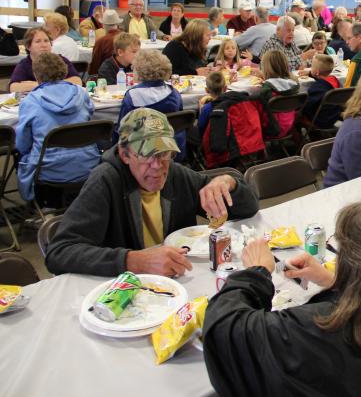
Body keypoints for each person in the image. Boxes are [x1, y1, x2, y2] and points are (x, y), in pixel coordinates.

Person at [203, 198, 361, 396]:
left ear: (355, 265)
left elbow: (225, 330)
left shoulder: (325, 329)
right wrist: (336, 282)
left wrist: (256, 273)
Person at [45, 107, 258, 276]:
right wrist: (133, 260)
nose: (158, 166)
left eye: (164, 153)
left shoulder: (175, 174)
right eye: (147, 155)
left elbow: (248, 208)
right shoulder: (105, 181)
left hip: (178, 282)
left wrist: (228, 181)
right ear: (125, 154)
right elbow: (59, 253)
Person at [15, 52, 100, 204]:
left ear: (36, 75)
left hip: (49, 170)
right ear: (64, 70)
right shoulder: (81, 94)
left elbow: (22, 144)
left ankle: (38, 206)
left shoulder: (30, 102)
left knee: (20, 156)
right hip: (88, 164)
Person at [114, 50, 185, 152]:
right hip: (172, 148)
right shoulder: (174, 93)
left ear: (138, 70)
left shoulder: (133, 95)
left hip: (142, 151)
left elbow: (123, 128)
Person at [198, 72, 267, 170]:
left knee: (189, 133)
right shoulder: (239, 101)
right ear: (226, 88)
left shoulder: (208, 108)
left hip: (219, 144)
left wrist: (201, 111)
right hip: (242, 140)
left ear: (206, 90)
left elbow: (202, 128)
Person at [10, 28, 82, 93]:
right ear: (28, 46)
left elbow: (77, 81)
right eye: (38, 41)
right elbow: (14, 87)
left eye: (46, 41)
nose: (44, 45)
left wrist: (39, 84)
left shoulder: (60, 60)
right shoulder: (24, 64)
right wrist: (58, 84)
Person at [260, 50, 301, 139]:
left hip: (271, 129)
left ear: (266, 67)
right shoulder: (294, 84)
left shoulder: (267, 89)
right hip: (289, 124)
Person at [299, 54, 341, 129]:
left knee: (296, 115)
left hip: (320, 121)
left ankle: (309, 138)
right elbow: (322, 79)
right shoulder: (334, 80)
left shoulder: (316, 88)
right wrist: (310, 73)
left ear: (317, 72)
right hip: (334, 116)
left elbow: (307, 106)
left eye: (311, 66)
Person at [88, 9, 124, 75]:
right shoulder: (127, 38)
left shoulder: (101, 42)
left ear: (103, 25)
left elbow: (95, 65)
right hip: (126, 75)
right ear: (117, 24)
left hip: (106, 76)